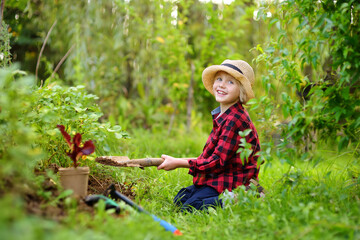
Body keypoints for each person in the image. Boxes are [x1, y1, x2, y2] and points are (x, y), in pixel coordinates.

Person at [157, 59, 261, 212]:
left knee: (190, 207)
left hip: (236, 181)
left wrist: (179, 162)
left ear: (241, 91)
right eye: (219, 79)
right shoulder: (223, 115)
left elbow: (217, 161)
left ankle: (245, 197)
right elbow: (210, 156)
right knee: (181, 199)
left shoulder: (235, 119)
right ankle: (229, 198)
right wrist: (180, 161)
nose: (222, 85)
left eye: (230, 82)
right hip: (221, 176)